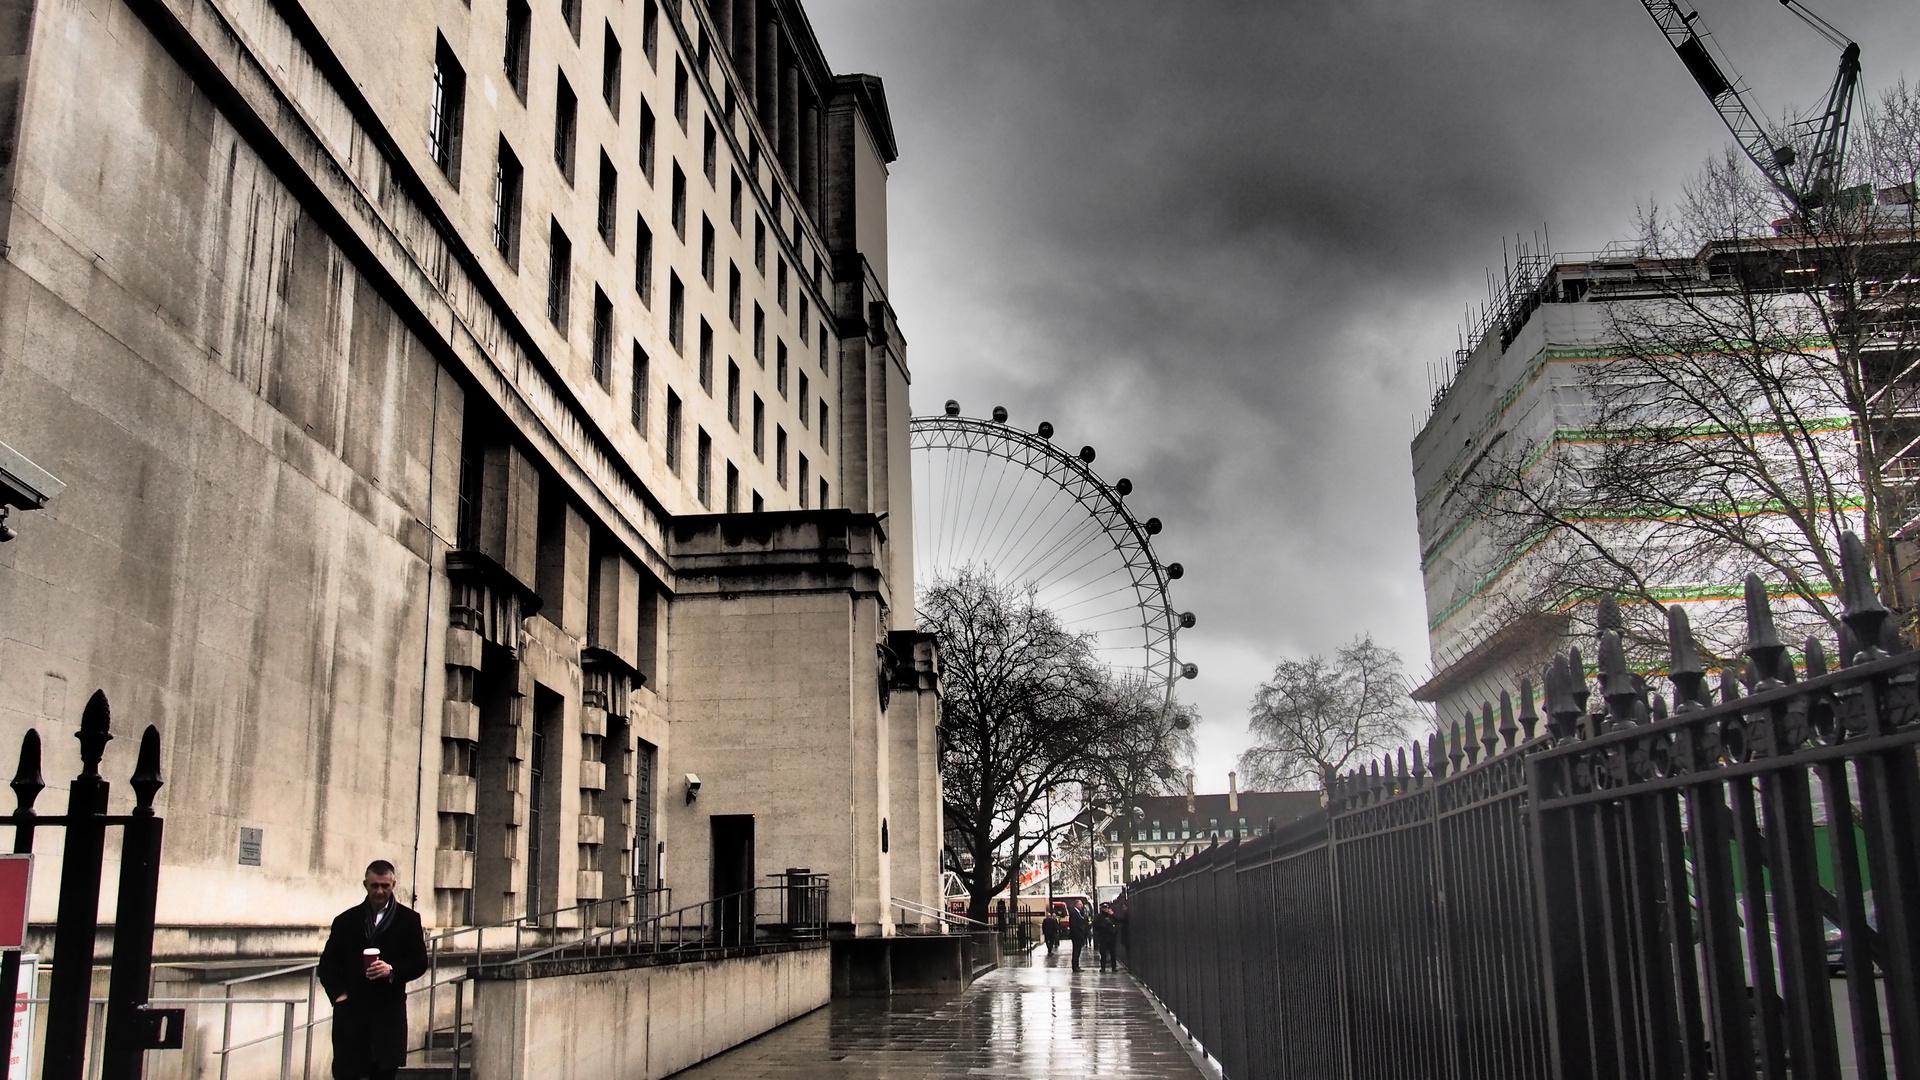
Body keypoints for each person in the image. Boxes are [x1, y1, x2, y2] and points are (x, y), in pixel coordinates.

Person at [319, 860, 429, 1080]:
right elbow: (327, 964)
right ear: (365, 885)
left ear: (394, 884)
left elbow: (419, 962)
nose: (380, 891)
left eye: (385, 886)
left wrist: (392, 970)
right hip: (351, 1013)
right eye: (375, 885)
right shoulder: (346, 921)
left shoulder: (408, 920)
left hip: (387, 1015)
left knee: (384, 1073)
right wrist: (339, 996)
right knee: (346, 1071)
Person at [1093, 903, 1119, 971]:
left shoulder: (1111, 916)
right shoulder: (1098, 917)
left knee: (1113, 953)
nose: (1105, 909)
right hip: (1103, 938)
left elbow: (1117, 922)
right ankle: (1103, 967)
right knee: (1103, 953)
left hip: (1111, 937)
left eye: (1106, 908)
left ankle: (1114, 967)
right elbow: (1095, 925)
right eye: (1104, 908)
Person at [1066, 899, 1090, 972]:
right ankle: (1075, 966)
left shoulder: (1079, 912)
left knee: (1078, 951)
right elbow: (1074, 924)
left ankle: (1076, 965)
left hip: (1079, 935)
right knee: (1076, 951)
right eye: (1080, 904)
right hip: (1076, 935)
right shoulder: (1074, 913)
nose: (1082, 905)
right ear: (1076, 905)